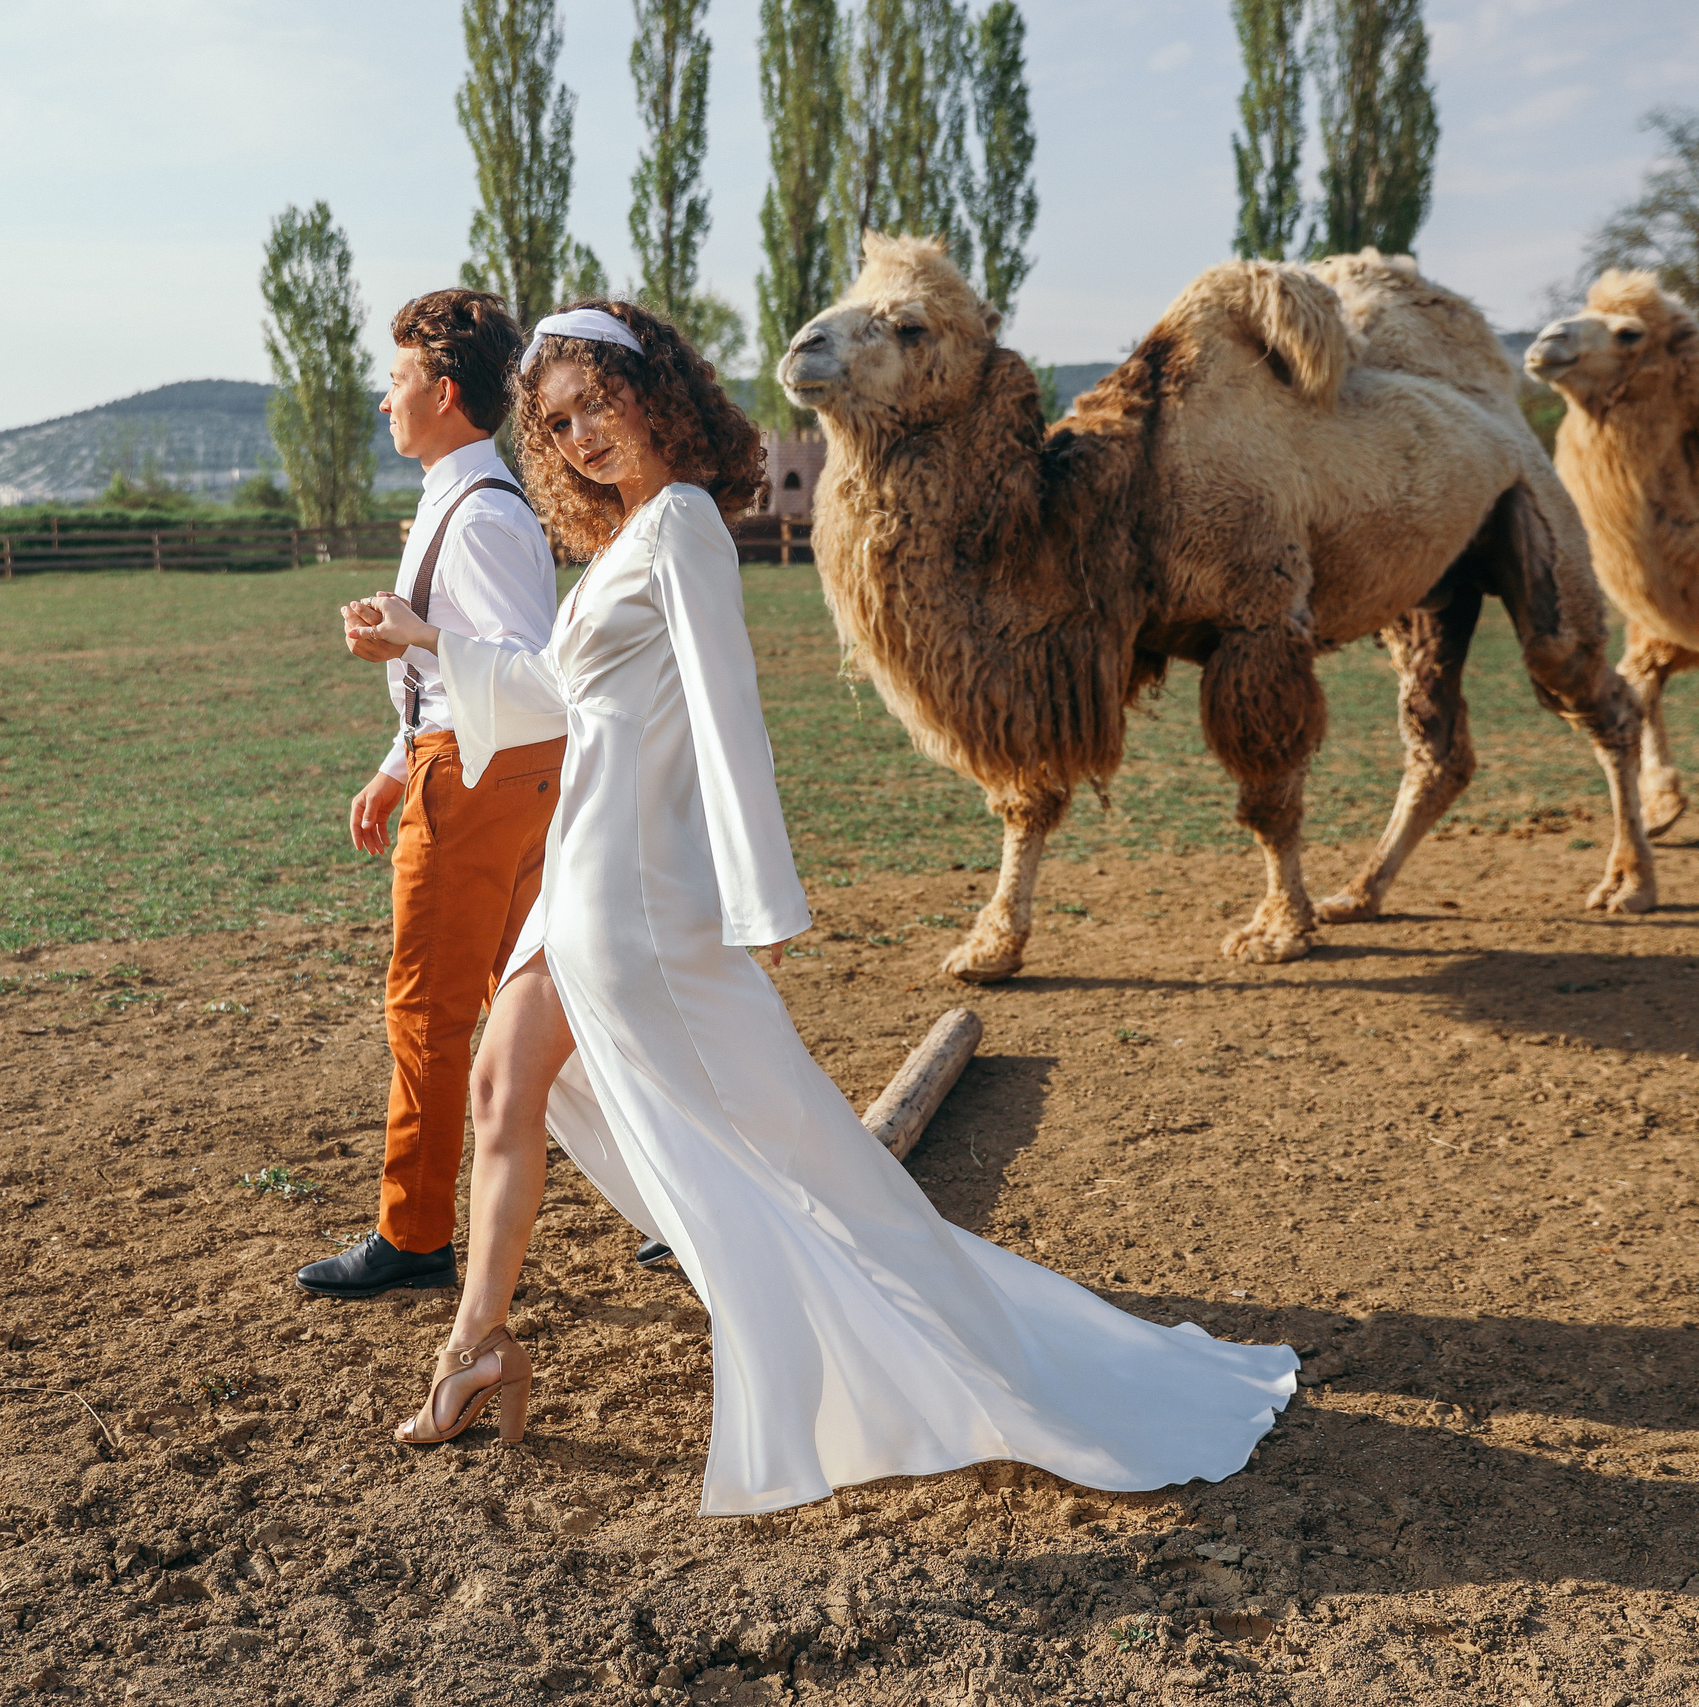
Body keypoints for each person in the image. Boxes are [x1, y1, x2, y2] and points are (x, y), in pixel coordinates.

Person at [344, 299, 1301, 1515]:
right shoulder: (627, 537)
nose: (581, 435)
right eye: (559, 420)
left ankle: (928, 1346)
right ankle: (477, 1347)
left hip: (637, 898)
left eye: (598, 403)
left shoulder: (683, 524)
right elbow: (552, 694)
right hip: (575, 878)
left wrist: (759, 902)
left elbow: (729, 714)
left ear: (657, 396)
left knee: (784, 1150)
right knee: (499, 1085)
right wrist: (426, 640)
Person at [293, 289, 566, 1301]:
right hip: (483, 768)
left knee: (427, 1010)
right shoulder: (469, 500)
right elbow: (466, 670)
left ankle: (412, 1233)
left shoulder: (480, 515)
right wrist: (394, 757)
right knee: (547, 1006)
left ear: (442, 392)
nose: (384, 400)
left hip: (477, 783)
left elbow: (532, 675)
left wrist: (416, 639)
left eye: (397, 378)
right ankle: (676, 1205)